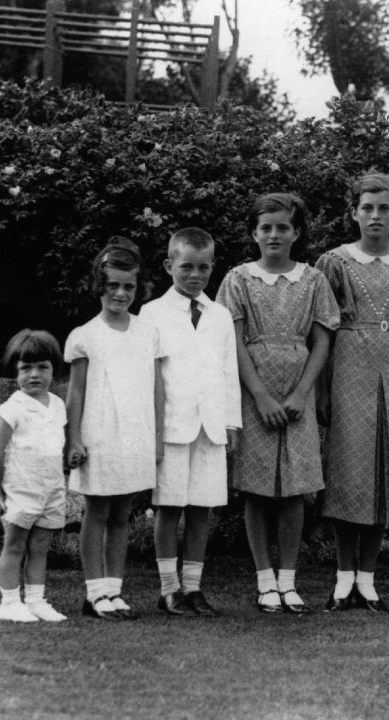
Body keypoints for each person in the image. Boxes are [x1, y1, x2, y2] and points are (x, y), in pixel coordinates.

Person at [216, 193, 339, 614]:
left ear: (296, 232)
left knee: (294, 492)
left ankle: (289, 581)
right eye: (265, 227)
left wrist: (303, 392)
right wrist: (262, 396)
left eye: (282, 227)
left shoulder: (313, 280)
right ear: (254, 232)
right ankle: (264, 581)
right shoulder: (238, 280)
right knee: (256, 492)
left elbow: (323, 339)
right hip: (255, 391)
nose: (273, 234)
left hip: (297, 392)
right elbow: (231, 340)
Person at [315, 172, 389, 612]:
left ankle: (368, 578)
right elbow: (324, 329)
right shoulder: (335, 262)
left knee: (386, 471)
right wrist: (323, 390)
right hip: (349, 365)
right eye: (367, 207)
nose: (375, 215)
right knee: (350, 469)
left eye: (384, 208)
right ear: (354, 213)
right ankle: (343, 578)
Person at [140, 227, 241, 616]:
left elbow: (228, 371)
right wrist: (153, 431)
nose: (195, 275)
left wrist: (232, 424)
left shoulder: (219, 315)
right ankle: (169, 590)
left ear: (213, 267)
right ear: (169, 266)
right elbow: (151, 377)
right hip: (172, 428)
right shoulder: (151, 314)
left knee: (202, 508)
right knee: (169, 507)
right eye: (186, 267)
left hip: (211, 427)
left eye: (203, 267)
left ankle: (194, 588)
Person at [65, 237, 164, 620]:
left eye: (129, 286)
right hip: (100, 433)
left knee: (123, 513)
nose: (121, 293)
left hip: (135, 433)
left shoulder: (147, 333)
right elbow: (76, 394)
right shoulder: (85, 335)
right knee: (98, 511)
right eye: (113, 286)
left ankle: (114, 590)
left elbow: (157, 390)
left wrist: (155, 439)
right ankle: (94, 593)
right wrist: (73, 438)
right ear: (99, 287)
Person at [0, 330, 69, 622]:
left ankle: (35, 600)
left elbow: (59, 440)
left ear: (53, 370)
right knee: (15, 544)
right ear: (15, 372)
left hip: (51, 488)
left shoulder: (58, 405)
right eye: (26, 368)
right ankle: (9, 603)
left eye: (42, 367)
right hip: (20, 488)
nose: (34, 375)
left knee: (40, 545)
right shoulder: (12, 409)